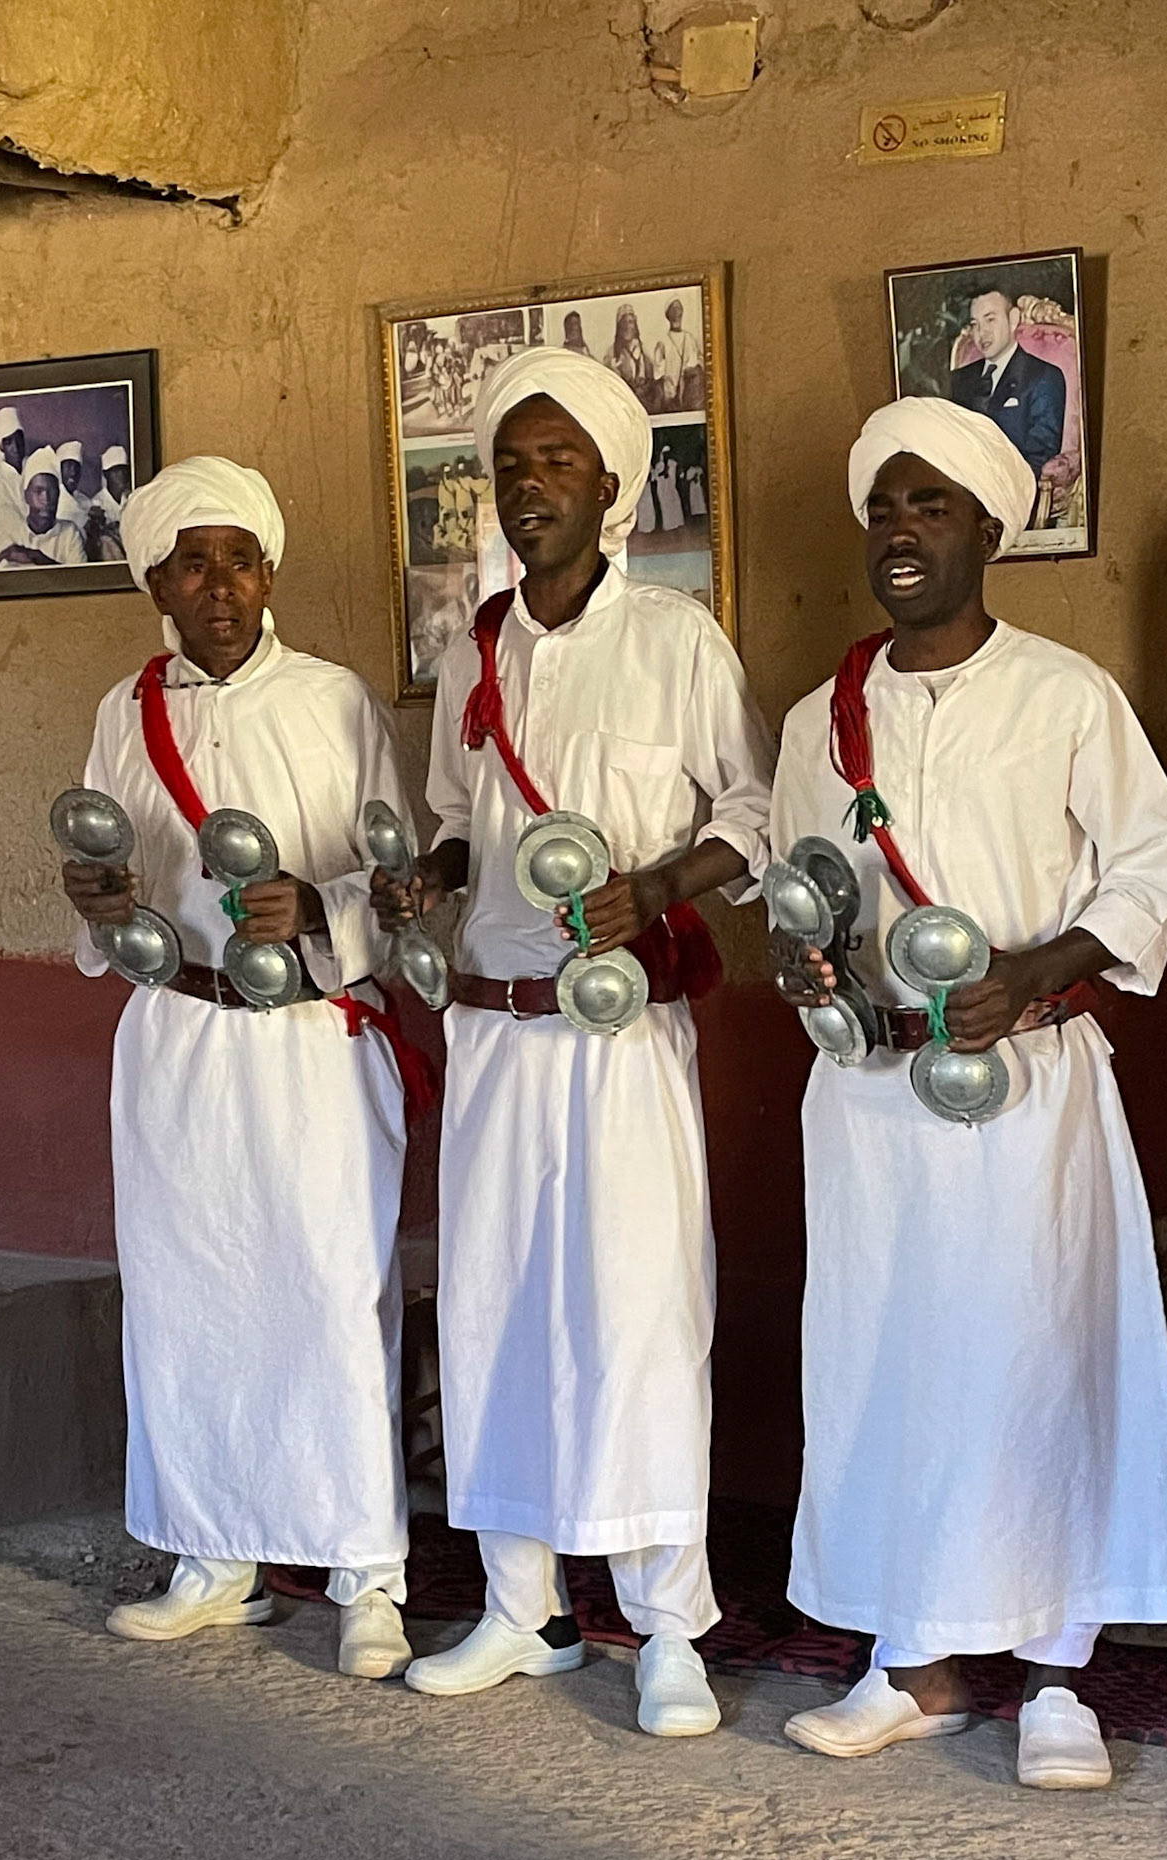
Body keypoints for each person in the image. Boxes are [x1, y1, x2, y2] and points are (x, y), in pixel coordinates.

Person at [771, 397, 1167, 1790]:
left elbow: (1149, 868)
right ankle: (916, 1662)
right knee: (886, 1361)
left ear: (990, 531)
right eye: (884, 508)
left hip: (1027, 1088)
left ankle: (1059, 1676)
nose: (900, 531)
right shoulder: (818, 724)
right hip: (872, 1096)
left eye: (930, 507)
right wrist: (805, 958)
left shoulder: (1067, 696)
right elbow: (798, 896)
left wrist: (1042, 966)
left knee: (1038, 1358)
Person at [373, 348, 772, 1737]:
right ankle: (518, 1603)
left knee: (640, 1307)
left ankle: (671, 1624)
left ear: (613, 489)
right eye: (511, 466)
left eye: (558, 464)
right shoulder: (470, 645)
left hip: (620, 1042)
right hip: (493, 1035)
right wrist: (425, 876)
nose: (529, 486)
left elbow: (757, 813)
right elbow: (452, 816)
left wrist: (654, 888)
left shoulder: (678, 642)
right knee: (495, 1307)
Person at [61, 455, 422, 1679]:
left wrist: (318, 901)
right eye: (192, 561)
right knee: (188, 1289)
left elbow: (405, 876)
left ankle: (367, 1569)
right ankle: (214, 1557)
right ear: (155, 578)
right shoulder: (126, 711)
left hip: (308, 1038)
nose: (219, 584)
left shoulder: (333, 698)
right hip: (177, 1033)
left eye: (240, 558)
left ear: (270, 572)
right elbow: (111, 869)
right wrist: (97, 896)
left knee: (330, 1290)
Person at [948, 287, 1066, 480]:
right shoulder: (959, 379)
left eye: (990, 319)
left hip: (1008, 489)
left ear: (1013, 319)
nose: (981, 333)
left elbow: (1040, 453)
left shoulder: (1044, 376)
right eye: (975, 324)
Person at [0, 446, 88, 567]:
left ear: (58, 495)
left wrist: (37, 558)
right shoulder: (11, 534)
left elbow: (80, 579)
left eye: (52, 491)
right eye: (38, 491)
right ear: (26, 496)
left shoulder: (69, 533)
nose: (46, 499)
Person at [0, 404, 29, 563]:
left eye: (18, 438)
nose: (16, 447)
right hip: (5, 555)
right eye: (9, 442)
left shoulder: (36, 468)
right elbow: (19, 533)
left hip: (39, 547)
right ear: (1, 446)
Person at [652, 298, 704, 412]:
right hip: (670, 397)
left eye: (679, 308)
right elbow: (658, 374)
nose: (676, 312)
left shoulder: (689, 338)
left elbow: (700, 362)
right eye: (673, 309)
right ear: (668, 314)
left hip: (690, 394)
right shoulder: (662, 342)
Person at [88, 443, 132, 561]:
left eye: (124, 470)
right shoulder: (97, 503)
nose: (122, 475)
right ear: (106, 475)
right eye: (116, 471)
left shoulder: (133, 497)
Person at [605, 303, 652, 405]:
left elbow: (651, 379)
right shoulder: (611, 353)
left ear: (635, 325)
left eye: (630, 322)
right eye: (624, 322)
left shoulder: (644, 351)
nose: (627, 327)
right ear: (619, 326)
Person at [57, 440, 95, 534]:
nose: (73, 472)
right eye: (69, 466)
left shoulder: (83, 499)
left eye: (76, 467)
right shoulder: (55, 499)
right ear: (59, 469)